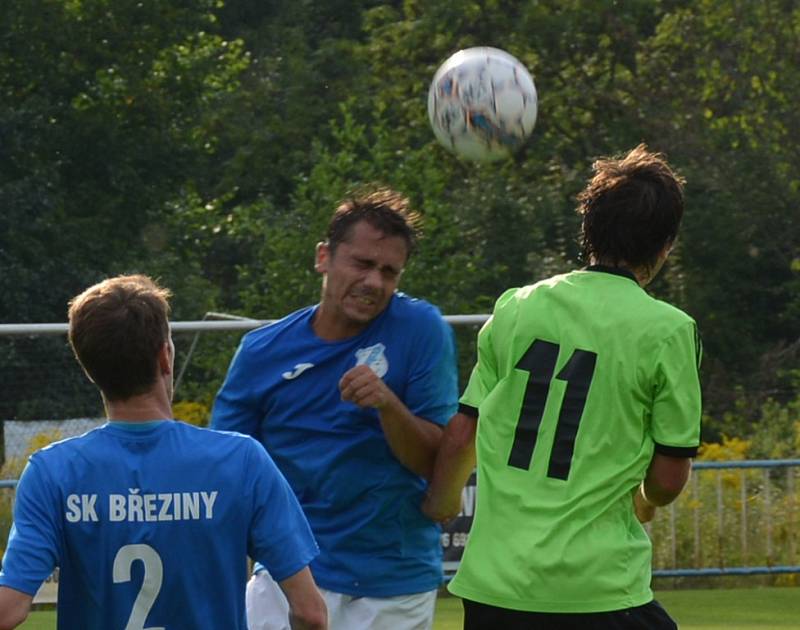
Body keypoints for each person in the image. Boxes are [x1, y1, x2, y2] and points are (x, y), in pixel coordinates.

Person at [422, 144, 702, 629]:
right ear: (666, 246)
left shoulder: (516, 307)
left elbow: (463, 434)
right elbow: (668, 480)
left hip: (495, 588)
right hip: (598, 590)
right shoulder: (669, 331)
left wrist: (441, 502)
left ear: (586, 229)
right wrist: (645, 496)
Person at [0, 275, 327, 630]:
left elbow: (9, 609)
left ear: (89, 370)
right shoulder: (241, 460)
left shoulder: (52, 472)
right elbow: (310, 613)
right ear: (165, 356)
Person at [211, 187, 459, 630]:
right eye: (362, 264)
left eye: (389, 272)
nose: (375, 283)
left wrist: (387, 405)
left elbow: (434, 464)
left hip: (393, 579)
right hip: (289, 575)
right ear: (323, 257)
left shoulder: (422, 329)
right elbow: (228, 471)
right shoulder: (261, 352)